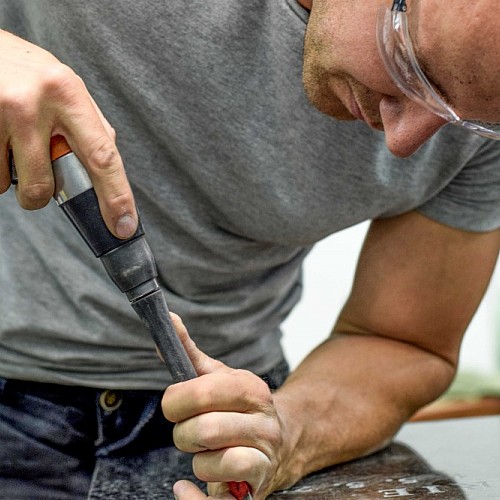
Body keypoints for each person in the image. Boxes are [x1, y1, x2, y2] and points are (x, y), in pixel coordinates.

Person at [0, 0, 498, 498]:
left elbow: (403, 340)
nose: (405, 140)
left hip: (226, 428)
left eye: (466, 121)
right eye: (411, 68)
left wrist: (279, 436)